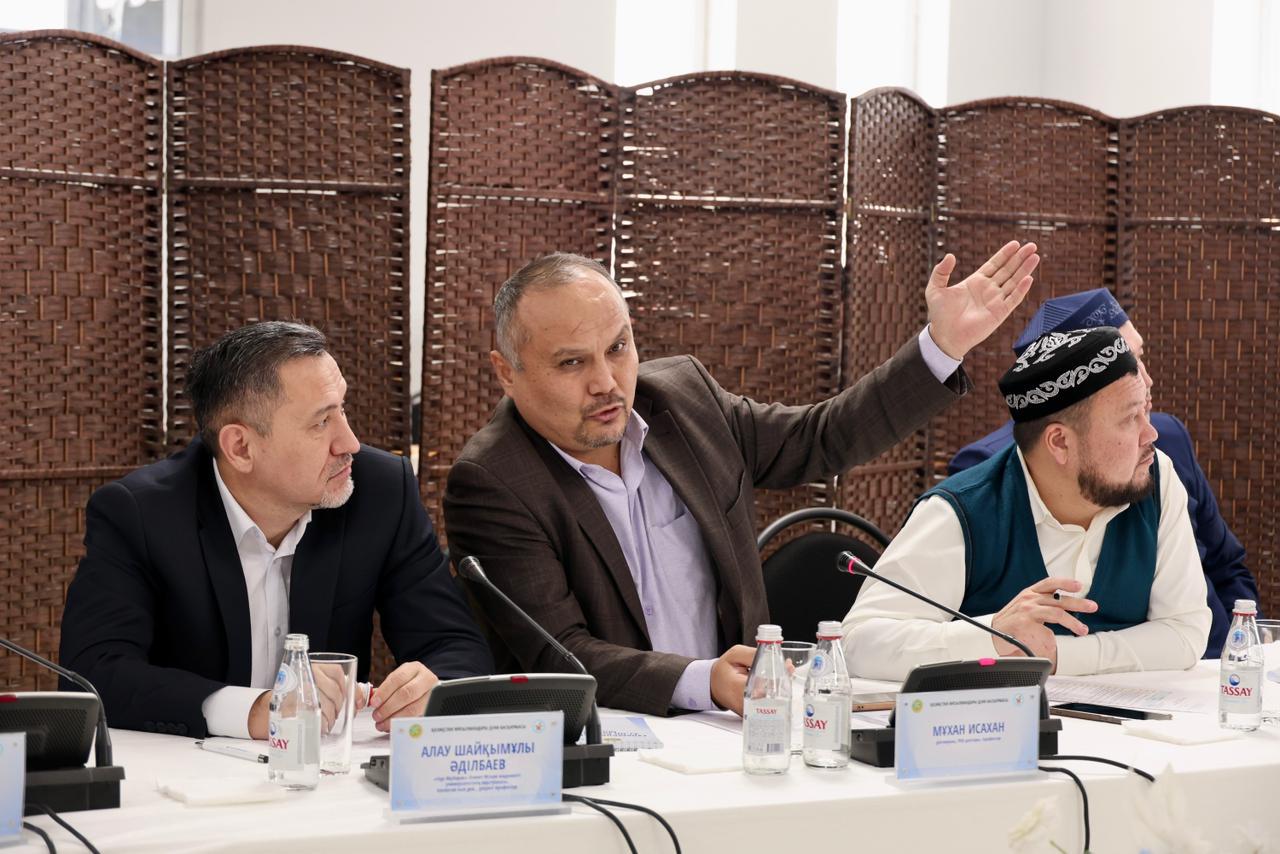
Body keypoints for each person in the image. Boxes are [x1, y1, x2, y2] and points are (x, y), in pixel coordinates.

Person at [443, 242, 1041, 716]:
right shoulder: (493, 481)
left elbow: (818, 439)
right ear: (507, 373)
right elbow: (560, 653)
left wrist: (941, 346)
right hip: (614, 742)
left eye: (618, 347)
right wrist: (701, 680)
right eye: (572, 362)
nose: (606, 381)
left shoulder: (682, 399)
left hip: (747, 725)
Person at [59, 322, 493, 738]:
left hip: (326, 771)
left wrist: (433, 688)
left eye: (342, 409)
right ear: (241, 447)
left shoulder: (380, 492)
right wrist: (255, 710)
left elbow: (455, 645)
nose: (349, 443)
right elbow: (93, 674)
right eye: (321, 422)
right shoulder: (141, 514)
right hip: (185, 768)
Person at [843, 326, 1211, 680]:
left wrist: (1056, 656)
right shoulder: (963, 511)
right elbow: (859, 643)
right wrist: (993, 633)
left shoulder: (1156, 476)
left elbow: (1185, 631)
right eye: (1130, 418)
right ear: (1060, 442)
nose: (1150, 434)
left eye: (1146, 411)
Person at [949, 288, 1257, 657]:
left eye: (1139, 357)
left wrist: (1246, 648)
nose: (1145, 380)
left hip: (1216, 663)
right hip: (1093, 679)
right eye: (1128, 364)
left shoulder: (1166, 440)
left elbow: (1226, 564)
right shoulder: (991, 470)